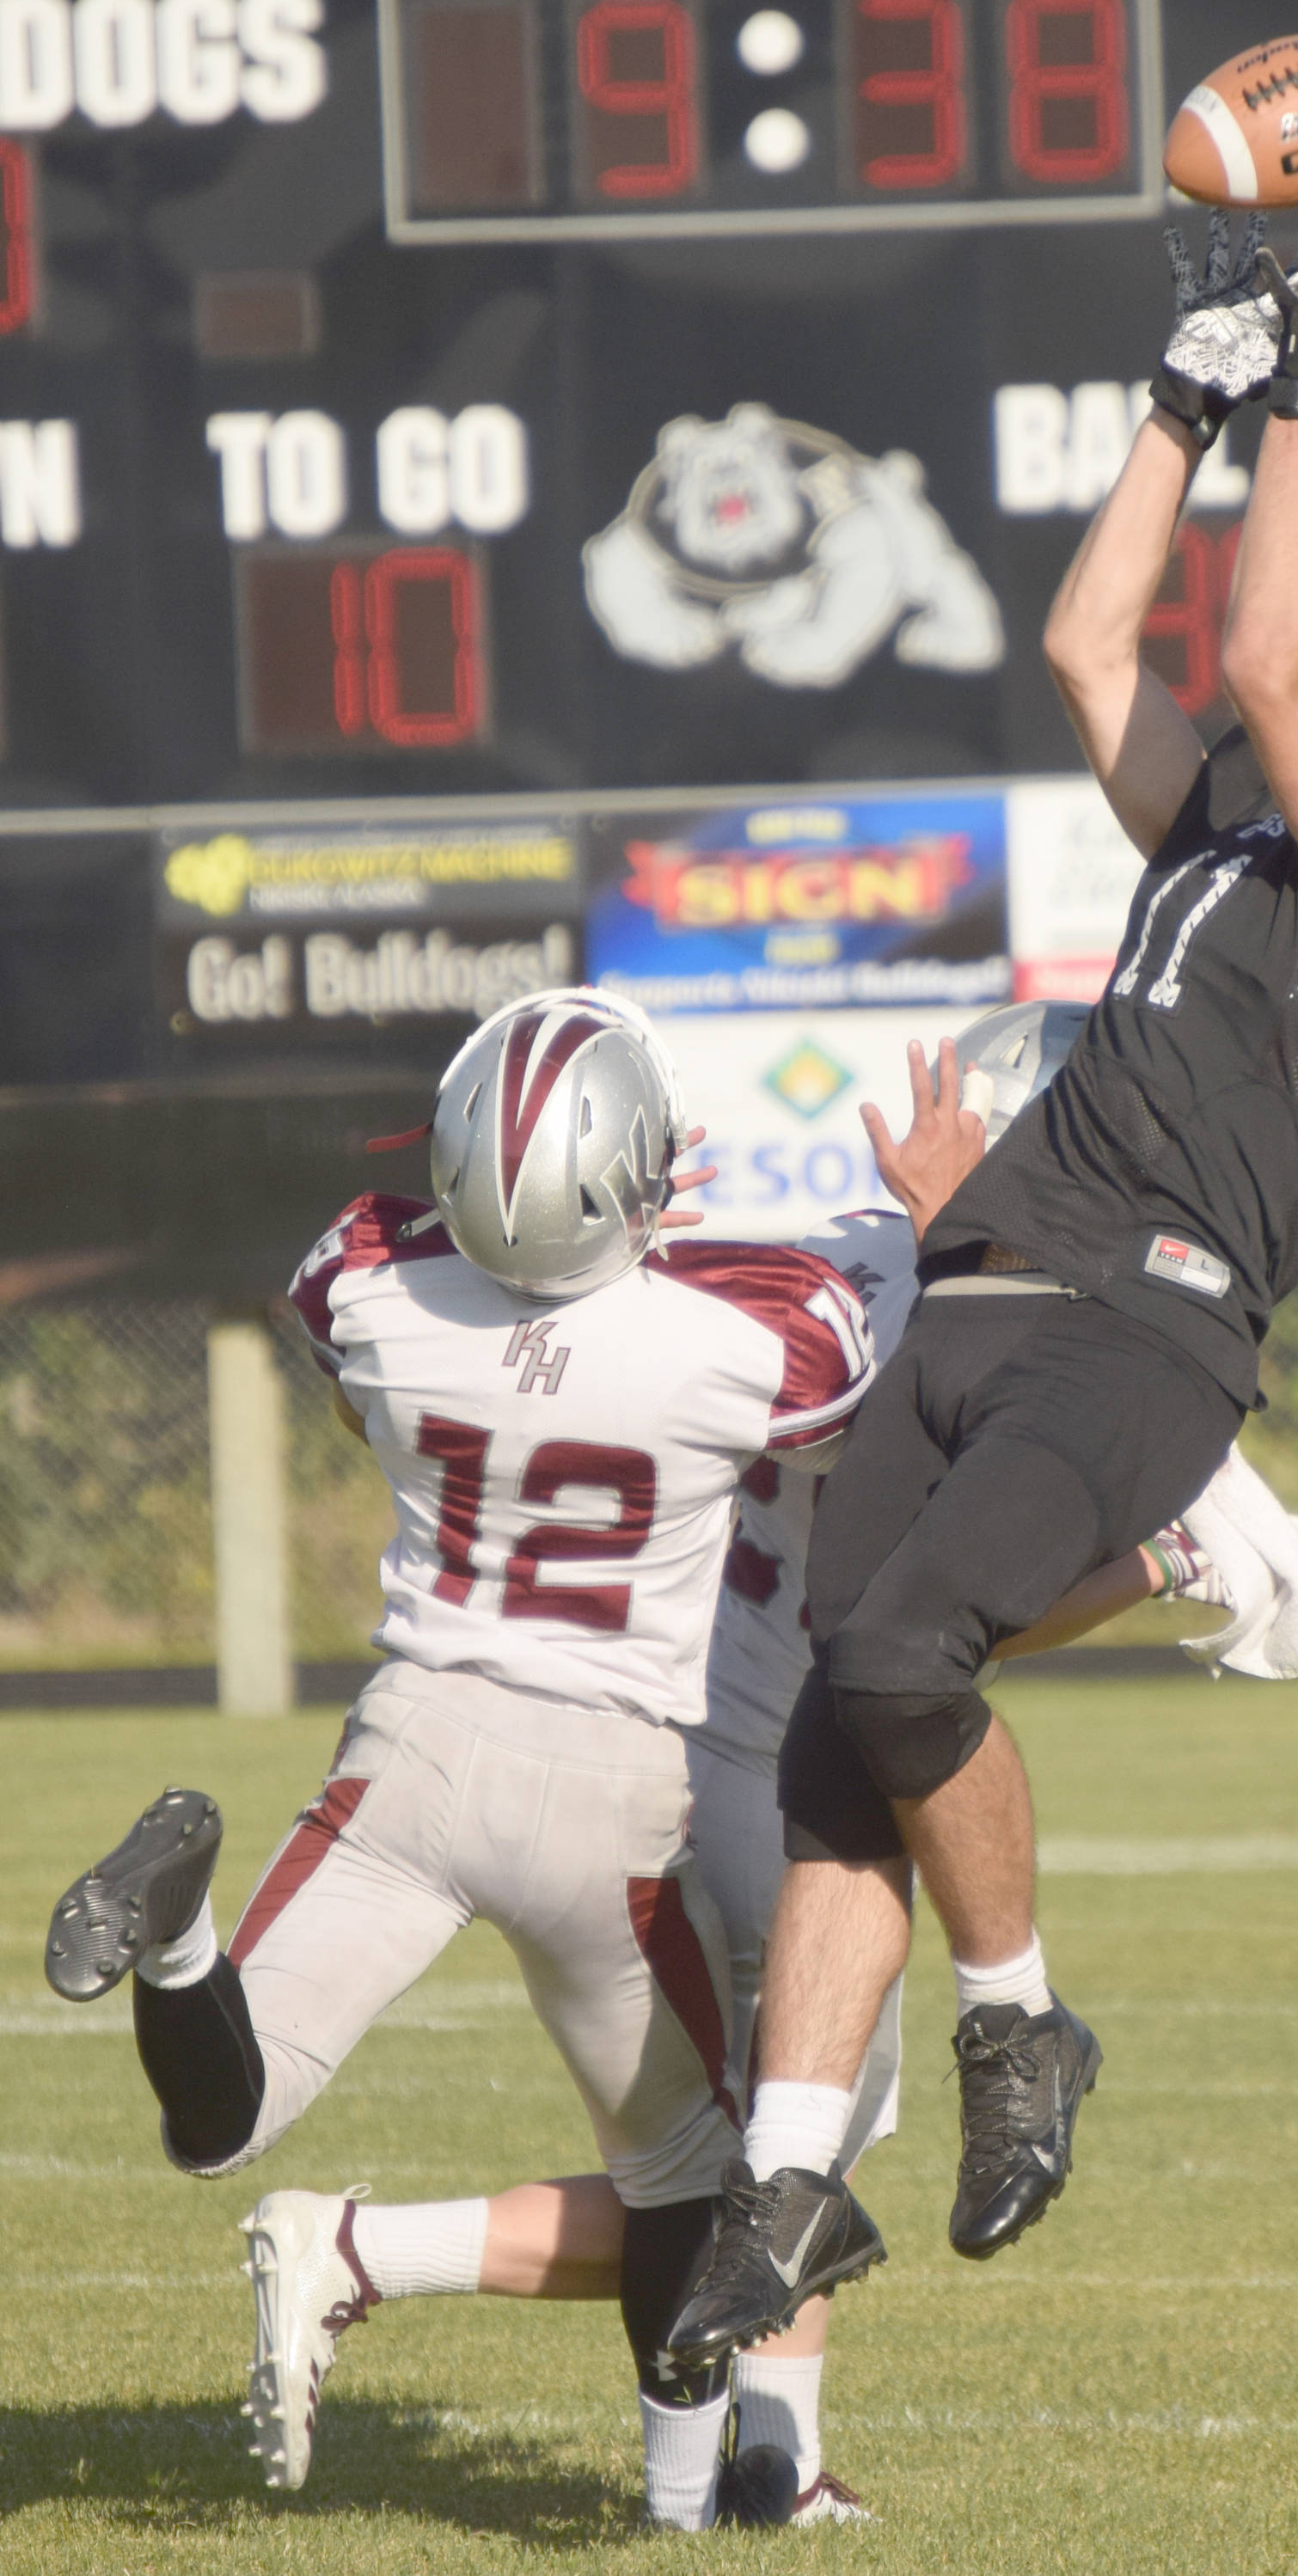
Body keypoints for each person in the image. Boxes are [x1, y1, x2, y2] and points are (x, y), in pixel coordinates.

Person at [665, 216, 1298, 2370]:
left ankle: (1023, 2026)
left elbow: (1267, 668)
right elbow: (1086, 642)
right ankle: (780, 2195)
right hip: (996, 1273)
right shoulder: (1247, 837)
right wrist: (1182, 398)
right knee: (850, 1712)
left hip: (1151, 1320)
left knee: (909, 1645)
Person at [230, 1004, 1298, 2521]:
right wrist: (1157, 1555)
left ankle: (768, 2465)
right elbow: (969, 1621)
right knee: (781, 2168)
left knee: (772, 2154)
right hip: (758, 1770)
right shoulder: (965, 1321)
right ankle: (362, 2254)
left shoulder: (814, 1271)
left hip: (668, 1723)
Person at [40, 985, 879, 2530]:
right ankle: (683, 2514)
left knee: (218, 2120)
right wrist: (655, 1238)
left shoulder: (367, 1284)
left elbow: (381, 1265)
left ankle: (178, 1943)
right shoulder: (742, 1331)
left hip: (411, 1748)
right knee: (689, 2180)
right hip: (613, 1787)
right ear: (630, 1173)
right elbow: (823, 1365)